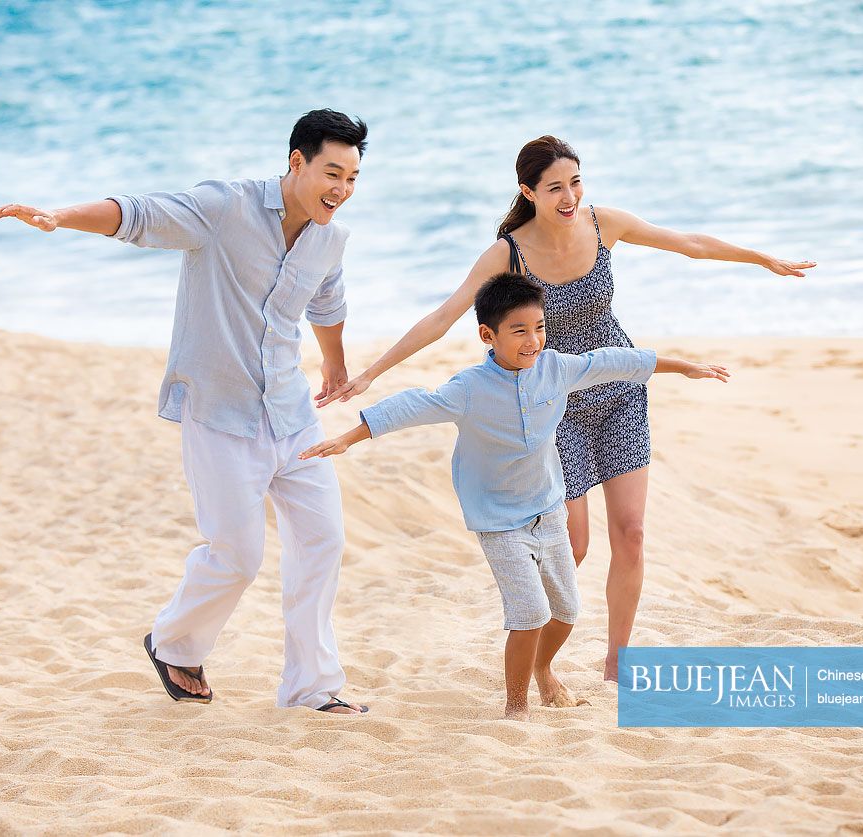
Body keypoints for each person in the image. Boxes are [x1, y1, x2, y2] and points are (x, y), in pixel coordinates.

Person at [318, 136, 815, 681]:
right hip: (554, 405)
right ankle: (536, 652)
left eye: (575, 183)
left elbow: (689, 242)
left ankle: (616, 659)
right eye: (555, 187)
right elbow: (442, 317)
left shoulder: (604, 224)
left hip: (619, 388)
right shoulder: (510, 253)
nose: (569, 196)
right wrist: (369, 373)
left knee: (632, 533)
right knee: (572, 544)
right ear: (528, 192)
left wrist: (763, 259)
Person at [0, 109, 371, 714]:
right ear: (296, 162)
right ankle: (173, 643)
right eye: (332, 173)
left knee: (323, 541)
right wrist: (61, 217)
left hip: (292, 413)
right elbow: (142, 214)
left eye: (352, 178)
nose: (341, 191)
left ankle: (312, 690)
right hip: (220, 413)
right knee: (237, 556)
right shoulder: (226, 209)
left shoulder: (331, 237)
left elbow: (328, 300)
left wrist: (335, 366)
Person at [300, 272, 728, 719]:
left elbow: (613, 361)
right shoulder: (469, 389)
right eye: (519, 331)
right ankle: (515, 706)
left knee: (565, 611)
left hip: (548, 510)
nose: (533, 340)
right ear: (488, 335)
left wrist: (682, 367)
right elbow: (414, 405)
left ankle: (544, 672)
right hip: (498, 520)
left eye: (539, 327)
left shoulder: (557, 369)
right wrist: (350, 437)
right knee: (529, 615)